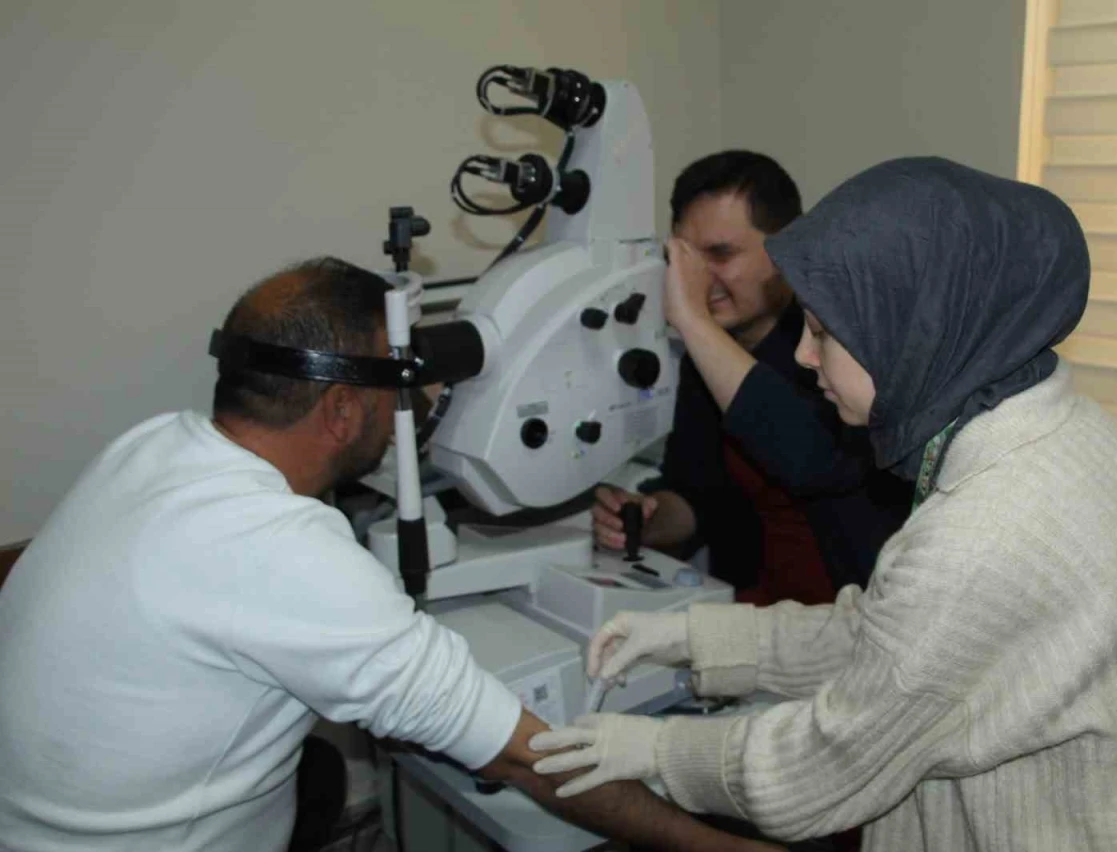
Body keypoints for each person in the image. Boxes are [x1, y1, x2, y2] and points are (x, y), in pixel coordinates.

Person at [530, 159, 1117, 851]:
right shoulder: (1062, 429)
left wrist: (655, 748)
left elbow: (824, 766)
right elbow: (888, 639)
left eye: (823, 333)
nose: (804, 356)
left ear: (913, 331)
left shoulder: (987, 528)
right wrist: (692, 636)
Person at [0, 258, 780, 852]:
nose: (415, 404)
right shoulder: (283, 553)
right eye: (399, 385)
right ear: (342, 410)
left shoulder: (151, 447)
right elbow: (526, 759)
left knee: (319, 774)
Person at [593, 151, 911, 605]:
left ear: (787, 248)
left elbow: (813, 460)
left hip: (850, 612)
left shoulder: (843, 341)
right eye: (686, 258)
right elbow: (695, 495)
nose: (698, 278)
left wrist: (691, 320)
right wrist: (646, 518)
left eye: (721, 254)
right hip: (750, 608)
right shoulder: (705, 355)